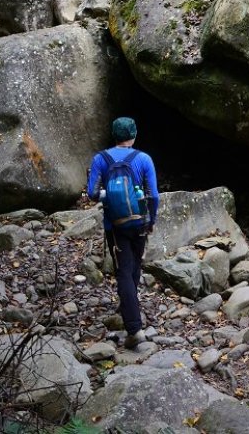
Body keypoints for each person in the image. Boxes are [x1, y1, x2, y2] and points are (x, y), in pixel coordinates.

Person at [87, 116, 159, 349]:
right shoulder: (143, 159)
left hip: (114, 225)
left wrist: (109, 194)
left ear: (114, 136)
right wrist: (151, 220)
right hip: (140, 223)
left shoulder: (101, 159)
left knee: (123, 271)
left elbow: (92, 193)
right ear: (134, 135)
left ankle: (133, 325)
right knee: (134, 266)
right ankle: (132, 315)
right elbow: (153, 195)